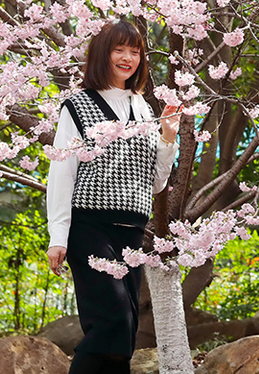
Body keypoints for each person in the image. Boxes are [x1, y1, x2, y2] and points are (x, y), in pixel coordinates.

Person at [46, 20, 180, 374]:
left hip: (132, 232)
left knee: (124, 338)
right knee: (113, 322)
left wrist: (167, 138)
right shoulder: (77, 105)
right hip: (89, 226)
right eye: (119, 50)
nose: (127, 58)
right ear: (102, 55)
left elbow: (154, 182)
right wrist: (57, 237)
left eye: (135, 51)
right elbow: (62, 172)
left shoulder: (144, 109)